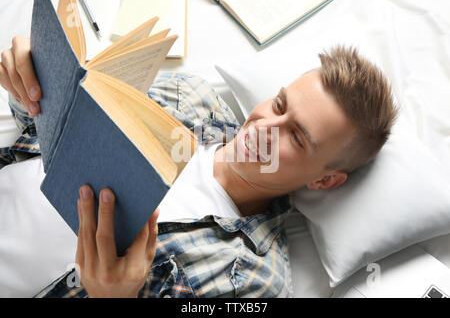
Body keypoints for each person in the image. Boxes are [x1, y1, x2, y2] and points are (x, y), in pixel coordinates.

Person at [0, 37, 398, 297]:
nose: (263, 127)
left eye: (296, 137)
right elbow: (51, 115)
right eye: (278, 105)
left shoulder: (253, 281)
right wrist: (29, 81)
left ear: (325, 179)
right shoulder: (189, 96)